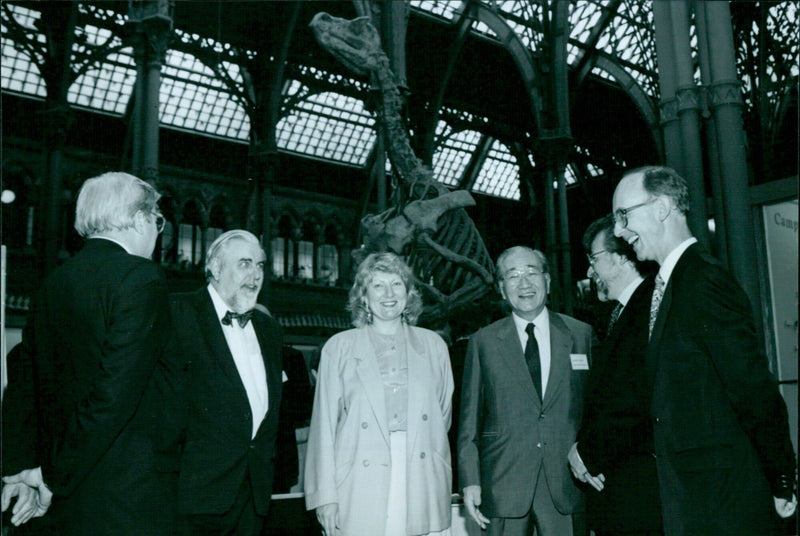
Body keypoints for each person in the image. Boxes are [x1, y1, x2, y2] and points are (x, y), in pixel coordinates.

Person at [612, 165, 797, 535]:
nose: (618, 231)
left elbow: (752, 389)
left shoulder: (704, 280)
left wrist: (780, 475)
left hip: (722, 499)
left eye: (622, 215)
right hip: (689, 494)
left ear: (661, 207)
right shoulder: (669, 284)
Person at [0, 172, 174, 535]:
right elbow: (113, 396)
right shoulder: (142, 279)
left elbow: (22, 380)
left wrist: (21, 468)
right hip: (120, 497)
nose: (158, 232)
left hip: (61, 501)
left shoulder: (55, 281)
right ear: (140, 218)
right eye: (158, 220)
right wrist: (52, 476)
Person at [304, 252, 454, 536]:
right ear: (363, 296)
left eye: (396, 284)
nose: (389, 294)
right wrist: (325, 497)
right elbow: (324, 430)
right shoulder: (339, 348)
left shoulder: (434, 346)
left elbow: (442, 416)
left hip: (420, 475)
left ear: (409, 294)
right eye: (378, 285)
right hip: (359, 478)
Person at [458, 246, 593, 536]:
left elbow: (595, 408)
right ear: (502, 289)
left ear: (547, 281)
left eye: (532, 272)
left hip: (566, 483)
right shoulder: (483, 342)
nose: (524, 283)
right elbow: (469, 421)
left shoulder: (581, 335)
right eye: (513, 275)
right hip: (502, 484)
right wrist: (470, 480)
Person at [167, 230, 284, 536]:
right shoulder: (178, 313)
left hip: (253, 495)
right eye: (245, 264)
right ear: (216, 268)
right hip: (193, 497)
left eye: (260, 266)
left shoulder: (269, 329)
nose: (255, 275)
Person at [567, 215, 662, 535]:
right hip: (623, 484)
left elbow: (635, 398)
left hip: (642, 489)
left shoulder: (649, 309)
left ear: (621, 258)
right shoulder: (622, 314)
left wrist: (586, 452)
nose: (589, 271)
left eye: (594, 260)